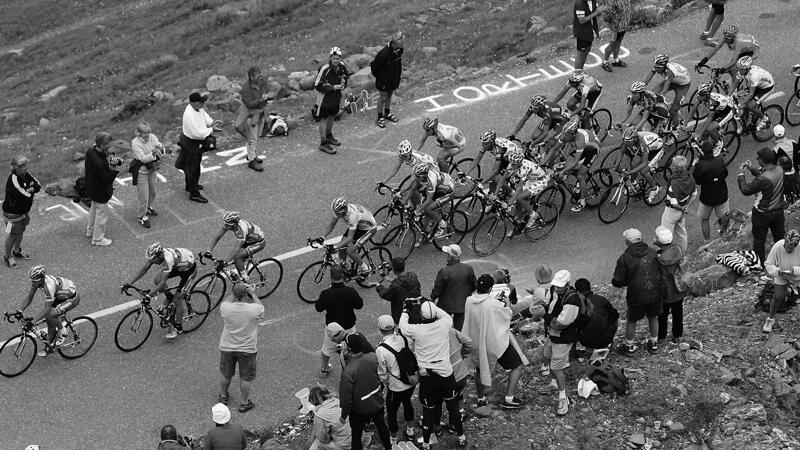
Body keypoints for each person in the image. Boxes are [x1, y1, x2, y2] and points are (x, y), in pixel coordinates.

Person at [400, 300, 466, 449]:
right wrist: (429, 304)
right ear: (434, 314)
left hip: (428, 378)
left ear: (422, 316)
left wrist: (406, 309)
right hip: (446, 375)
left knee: (428, 412)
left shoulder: (416, 330)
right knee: (453, 408)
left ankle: (426, 443)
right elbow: (443, 314)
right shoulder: (445, 324)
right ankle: (461, 437)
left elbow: (403, 327)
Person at [463, 274, 529, 410]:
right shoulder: (494, 304)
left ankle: (481, 399)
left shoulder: (469, 301)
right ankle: (509, 398)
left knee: (479, 369)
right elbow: (506, 316)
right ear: (490, 289)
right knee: (517, 365)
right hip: (493, 343)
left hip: (476, 343)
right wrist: (507, 305)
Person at [122, 243, 196, 339]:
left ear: (159, 255)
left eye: (153, 259)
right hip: (178, 266)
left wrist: (149, 296)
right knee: (156, 280)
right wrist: (130, 283)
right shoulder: (159, 256)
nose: (152, 261)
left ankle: (178, 328)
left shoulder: (168, 259)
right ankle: (169, 297)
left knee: (178, 300)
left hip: (189, 271)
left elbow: (162, 283)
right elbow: (145, 268)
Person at [612, 229, 663, 355]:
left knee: (632, 319)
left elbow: (618, 280)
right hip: (655, 291)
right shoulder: (652, 251)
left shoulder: (625, 258)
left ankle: (629, 346)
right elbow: (659, 269)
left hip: (637, 294)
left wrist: (621, 283)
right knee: (653, 316)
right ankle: (654, 344)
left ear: (628, 241)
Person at [338, 332, 392, 450]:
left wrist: (343, 415)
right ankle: (389, 447)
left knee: (356, 436)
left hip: (359, 409)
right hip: (376, 402)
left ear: (349, 348)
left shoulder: (348, 371)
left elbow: (346, 397)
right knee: (382, 426)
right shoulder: (372, 357)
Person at [15, 265, 80, 357]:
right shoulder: (37, 282)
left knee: (49, 314)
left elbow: (46, 309)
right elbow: (30, 297)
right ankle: (50, 346)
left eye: (35, 281)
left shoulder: (49, 286)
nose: (33, 283)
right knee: (50, 321)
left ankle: (63, 331)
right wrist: (20, 310)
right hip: (59, 295)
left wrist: (33, 322)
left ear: (41, 278)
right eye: (32, 280)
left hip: (71, 298)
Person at [218, 282, 263, 413]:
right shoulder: (253, 310)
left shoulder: (226, 308)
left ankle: (223, 396)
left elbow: (227, 300)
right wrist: (253, 294)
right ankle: (244, 403)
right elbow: (260, 307)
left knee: (226, 373)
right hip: (247, 349)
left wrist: (234, 291)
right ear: (245, 295)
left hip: (227, 347)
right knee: (245, 377)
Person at [738, 147, 785, 266]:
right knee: (779, 239)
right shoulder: (780, 169)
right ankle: (782, 260)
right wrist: (751, 168)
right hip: (778, 212)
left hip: (762, 214)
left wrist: (741, 174)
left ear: (762, 161)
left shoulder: (762, 179)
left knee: (759, 241)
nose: (757, 159)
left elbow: (746, 190)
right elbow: (764, 175)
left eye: (758, 158)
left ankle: (760, 265)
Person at [375, 315, 417, 444]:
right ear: (394, 326)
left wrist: (386, 384)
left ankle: (393, 439)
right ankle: (410, 430)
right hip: (411, 381)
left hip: (395, 387)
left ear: (380, 330)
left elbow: (382, 373)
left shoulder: (381, 349)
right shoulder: (404, 339)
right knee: (407, 404)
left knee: (392, 412)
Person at [316, 265, 363, 376]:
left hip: (332, 329)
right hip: (349, 327)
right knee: (352, 349)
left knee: (326, 350)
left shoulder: (326, 293)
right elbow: (359, 305)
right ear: (342, 275)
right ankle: (353, 370)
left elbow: (318, 308)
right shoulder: (350, 291)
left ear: (331, 277)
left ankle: (324, 369)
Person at [179, 92, 223, 203]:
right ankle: (194, 193)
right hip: (191, 143)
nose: (203, 104)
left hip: (192, 142)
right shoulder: (189, 115)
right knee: (193, 167)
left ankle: (190, 186)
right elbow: (198, 133)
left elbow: (205, 117)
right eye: (200, 102)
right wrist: (211, 129)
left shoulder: (197, 108)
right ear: (193, 103)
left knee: (192, 165)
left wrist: (211, 123)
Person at [494, 147, 550, 232]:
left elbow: (519, 188)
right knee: (518, 202)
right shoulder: (513, 163)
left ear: (520, 162)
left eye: (514, 164)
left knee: (519, 198)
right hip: (530, 179)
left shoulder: (524, 168)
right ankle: (518, 225)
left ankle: (533, 214)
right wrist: (495, 194)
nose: (512, 166)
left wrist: (509, 204)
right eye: (511, 163)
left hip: (540, 180)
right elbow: (502, 180)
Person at [552, 121, 601, 212]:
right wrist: (542, 164)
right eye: (564, 134)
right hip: (583, 147)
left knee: (580, 175)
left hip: (593, 149)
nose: (565, 137)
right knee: (567, 165)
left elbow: (575, 162)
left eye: (567, 135)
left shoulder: (580, 140)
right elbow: (554, 148)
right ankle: (579, 182)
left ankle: (582, 202)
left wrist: (563, 171)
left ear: (573, 134)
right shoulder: (566, 135)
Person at [321, 197, 377, 275]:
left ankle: (366, 269)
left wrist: (334, 247)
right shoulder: (341, 210)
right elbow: (332, 224)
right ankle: (343, 265)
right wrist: (323, 236)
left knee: (350, 251)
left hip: (369, 229)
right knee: (342, 244)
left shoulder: (352, 216)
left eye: (337, 213)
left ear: (343, 211)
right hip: (358, 225)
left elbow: (349, 238)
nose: (336, 215)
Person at [84, 132, 122, 246]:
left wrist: (108, 157)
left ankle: (90, 231)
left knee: (93, 210)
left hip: (91, 188)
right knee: (102, 216)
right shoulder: (100, 163)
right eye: (107, 145)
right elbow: (107, 180)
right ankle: (98, 239)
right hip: (101, 192)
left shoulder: (91, 151)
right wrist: (113, 167)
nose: (109, 147)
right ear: (101, 144)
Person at [3, 154, 40, 268]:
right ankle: (7, 257)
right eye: (21, 166)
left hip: (23, 211)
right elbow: (26, 196)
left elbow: (38, 185)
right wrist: (31, 188)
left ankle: (17, 251)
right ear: (15, 167)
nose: (25, 167)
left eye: (25, 165)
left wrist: (31, 188)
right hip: (12, 213)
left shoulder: (25, 174)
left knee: (21, 230)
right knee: (13, 235)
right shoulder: (13, 180)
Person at [234, 66, 274, 172]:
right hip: (251, 115)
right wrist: (261, 99)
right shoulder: (246, 88)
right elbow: (249, 104)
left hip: (260, 112)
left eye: (260, 75)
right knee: (252, 138)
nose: (260, 77)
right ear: (251, 77)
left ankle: (252, 155)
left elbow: (266, 92)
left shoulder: (262, 82)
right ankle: (252, 161)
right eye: (257, 76)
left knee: (256, 136)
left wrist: (267, 97)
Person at [207, 211, 265, 282]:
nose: (225, 226)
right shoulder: (231, 224)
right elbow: (217, 237)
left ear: (234, 225)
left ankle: (245, 279)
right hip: (248, 239)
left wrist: (225, 262)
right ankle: (242, 270)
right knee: (239, 258)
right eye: (225, 223)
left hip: (258, 242)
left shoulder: (241, 230)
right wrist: (209, 251)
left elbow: (236, 249)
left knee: (237, 257)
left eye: (228, 225)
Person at [612, 126, 665, 203]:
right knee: (633, 164)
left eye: (628, 142)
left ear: (635, 139)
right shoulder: (628, 140)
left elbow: (643, 163)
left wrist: (631, 172)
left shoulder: (643, 143)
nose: (626, 143)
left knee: (643, 171)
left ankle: (654, 189)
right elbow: (621, 152)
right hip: (646, 147)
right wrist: (616, 165)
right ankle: (633, 184)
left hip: (656, 149)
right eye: (625, 141)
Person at [430, 244, 476, 331]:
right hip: (462, 304)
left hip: (445, 305)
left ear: (450, 256)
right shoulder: (468, 268)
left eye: (447, 254)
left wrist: (432, 298)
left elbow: (438, 289)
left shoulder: (444, 271)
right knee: (459, 330)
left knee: (441, 327)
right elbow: (474, 285)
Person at [692, 135, 730, 241]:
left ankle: (707, 241)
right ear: (712, 150)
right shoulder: (720, 161)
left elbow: (697, 181)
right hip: (721, 196)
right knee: (724, 219)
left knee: (705, 219)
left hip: (707, 198)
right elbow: (725, 174)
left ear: (702, 151)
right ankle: (725, 239)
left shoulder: (700, 165)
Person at [653, 226, 686, 344]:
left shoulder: (658, 258)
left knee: (662, 315)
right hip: (678, 289)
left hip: (665, 292)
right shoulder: (678, 249)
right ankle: (677, 335)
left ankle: (661, 336)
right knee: (678, 313)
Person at [763, 230, 800, 333]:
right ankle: (770, 319)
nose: (789, 250)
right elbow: (769, 264)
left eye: (792, 249)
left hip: (797, 274)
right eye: (787, 247)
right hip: (781, 273)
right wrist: (777, 271)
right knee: (778, 296)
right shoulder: (777, 246)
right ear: (784, 242)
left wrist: (795, 270)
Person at [641, 54, 691, 129]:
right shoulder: (659, 66)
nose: (655, 69)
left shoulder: (670, 72)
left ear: (663, 66)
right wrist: (639, 88)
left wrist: (659, 99)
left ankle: (675, 130)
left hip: (682, 86)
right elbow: (644, 82)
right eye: (655, 66)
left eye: (657, 68)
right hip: (673, 80)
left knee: (674, 110)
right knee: (653, 93)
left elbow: (664, 91)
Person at [315, 47, 349, 154]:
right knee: (324, 119)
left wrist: (344, 83)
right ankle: (323, 143)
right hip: (324, 99)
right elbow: (317, 85)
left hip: (336, 97)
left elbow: (345, 76)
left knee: (332, 116)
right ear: (330, 57)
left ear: (340, 58)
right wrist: (333, 87)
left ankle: (329, 135)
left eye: (338, 58)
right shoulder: (324, 69)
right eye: (334, 58)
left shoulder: (342, 66)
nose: (336, 61)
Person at [660, 155, 696, 254]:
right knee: (682, 234)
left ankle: (665, 256)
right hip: (681, 212)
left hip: (672, 212)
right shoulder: (690, 178)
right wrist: (686, 206)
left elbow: (674, 203)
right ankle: (682, 253)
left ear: (677, 169)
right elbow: (694, 194)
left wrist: (681, 208)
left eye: (673, 166)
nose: (671, 167)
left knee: (665, 235)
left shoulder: (674, 183)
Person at [130, 121, 163, 228]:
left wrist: (160, 148)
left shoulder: (152, 137)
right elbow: (142, 159)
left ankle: (147, 207)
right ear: (139, 133)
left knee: (152, 191)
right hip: (141, 171)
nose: (147, 135)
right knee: (143, 195)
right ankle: (141, 216)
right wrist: (153, 153)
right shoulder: (135, 143)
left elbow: (159, 145)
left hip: (152, 169)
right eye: (144, 133)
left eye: (148, 132)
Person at [407, 162, 454, 238]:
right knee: (424, 203)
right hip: (439, 188)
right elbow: (413, 187)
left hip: (448, 192)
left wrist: (417, 211)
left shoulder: (431, 180)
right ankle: (431, 220)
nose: (417, 178)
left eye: (418, 176)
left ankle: (442, 224)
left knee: (428, 208)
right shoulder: (426, 175)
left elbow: (428, 199)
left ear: (424, 175)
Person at [574, 278, 619, 352]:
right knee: (613, 316)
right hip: (606, 339)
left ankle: (573, 350)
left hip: (586, 342)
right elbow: (615, 315)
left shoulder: (575, 303)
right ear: (590, 288)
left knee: (573, 322)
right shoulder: (601, 299)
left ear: (577, 291)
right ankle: (610, 342)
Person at [371, 31, 404, 128]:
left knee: (389, 94)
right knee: (383, 97)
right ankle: (380, 116)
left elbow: (398, 63)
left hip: (393, 78)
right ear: (393, 40)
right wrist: (382, 78)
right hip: (384, 80)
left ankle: (387, 113)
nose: (402, 40)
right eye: (399, 38)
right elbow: (375, 68)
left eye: (402, 37)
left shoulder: (399, 49)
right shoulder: (383, 53)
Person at [733, 56, 775, 132]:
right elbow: (735, 82)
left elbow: (751, 94)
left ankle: (765, 119)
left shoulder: (753, 76)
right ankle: (745, 124)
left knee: (750, 105)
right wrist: (729, 95)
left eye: (741, 69)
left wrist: (739, 105)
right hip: (758, 84)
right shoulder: (744, 71)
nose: (739, 70)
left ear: (746, 69)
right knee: (742, 100)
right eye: (739, 68)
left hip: (766, 88)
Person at [376, 257, 421, 324]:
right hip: (415, 309)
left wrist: (378, 286)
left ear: (394, 269)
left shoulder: (395, 286)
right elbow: (401, 281)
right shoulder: (413, 276)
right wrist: (385, 277)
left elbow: (385, 294)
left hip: (402, 314)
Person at [308, 385, 352, 450]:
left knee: (318, 442)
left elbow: (323, 439)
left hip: (345, 445)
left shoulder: (321, 415)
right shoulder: (336, 401)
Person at [572, 0, 604, 70]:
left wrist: (600, 10)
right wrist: (596, 12)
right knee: (581, 53)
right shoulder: (579, 3)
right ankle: (577, 74)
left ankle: (581, 71)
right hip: (582, 32)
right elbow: (581, 20)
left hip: (590, 30)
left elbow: (596, 12)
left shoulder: (593, 1)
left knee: (587, 50)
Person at [601, 0, 631, 72]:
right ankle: (605, 62)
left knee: (618, 42)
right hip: (616, 26)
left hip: (624, 25)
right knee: (612, 44)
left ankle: (615, 60)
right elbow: (606, 13)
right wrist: (612, 22)